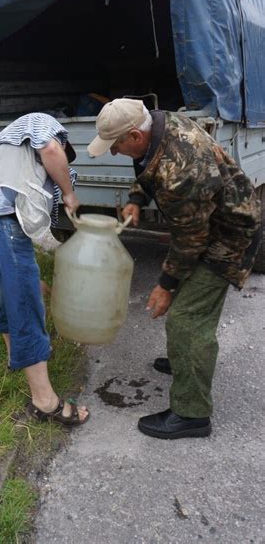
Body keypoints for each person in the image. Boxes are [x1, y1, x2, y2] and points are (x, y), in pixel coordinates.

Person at [88, 98, 260, 439]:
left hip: (228, 235)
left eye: (116, 145)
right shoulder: (157, 123)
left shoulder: (182, 170)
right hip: (208, 224)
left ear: (135, 135)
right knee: (186, 309)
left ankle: (192, 414)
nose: (113, 152)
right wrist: (137, 199)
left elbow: (190, 240)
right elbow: (147, 167)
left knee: (187, 318)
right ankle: (186, 363)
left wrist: (164, 285)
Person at [0, 113, 90, 426]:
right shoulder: (41, 125)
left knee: (6, 297)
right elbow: (52, 149)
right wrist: (69, 193)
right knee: (27, 308)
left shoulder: (8, 151)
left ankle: (16, 360)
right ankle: (45, 402)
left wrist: (39, 273)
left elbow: (38, 229)